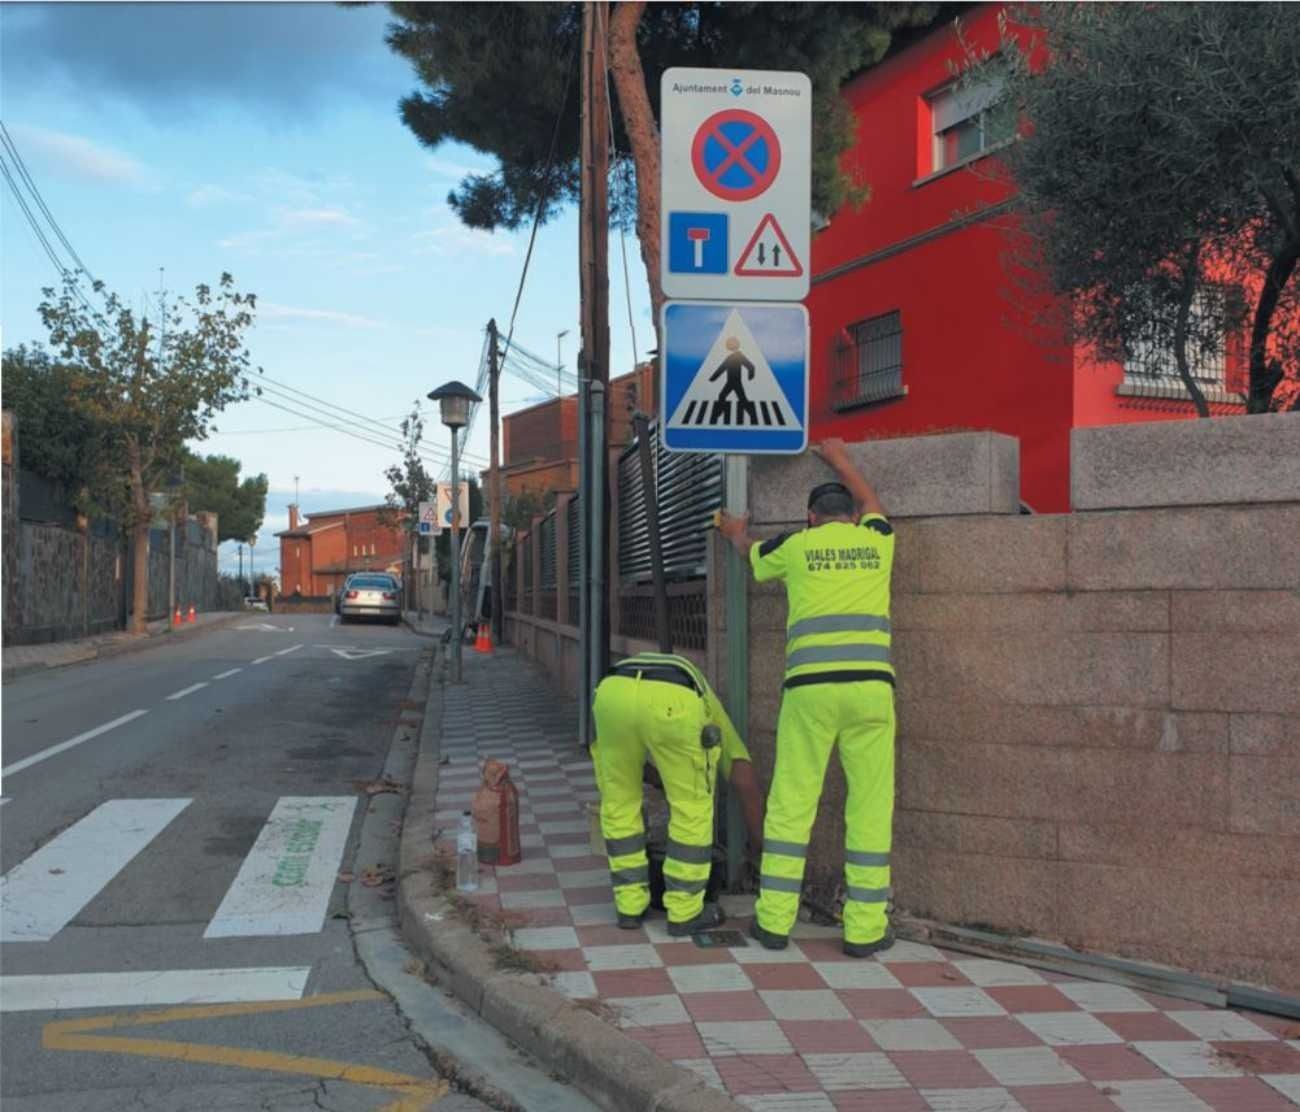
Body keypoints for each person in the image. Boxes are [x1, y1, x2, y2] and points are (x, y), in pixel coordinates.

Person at [718, 437, 897, 957]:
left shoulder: (796, 546)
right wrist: (842, 459)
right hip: (870, 691)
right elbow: (876, 505)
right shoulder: (878, 540)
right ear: (850, 516)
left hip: (811, 692)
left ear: (811, 517)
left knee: (794, 803)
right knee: (869, 804)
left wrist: (735, 532)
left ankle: (774, 923)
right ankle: (864, 930)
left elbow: (752, 552)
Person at [591, 650, 764, 935]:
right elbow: (744, 780)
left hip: (612, 691)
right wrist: (760, 845)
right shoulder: (706, 705)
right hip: (673, 700)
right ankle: (685, 911)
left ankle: (629, 905)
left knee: (619, 802)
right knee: (691, 806)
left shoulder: (645, 674)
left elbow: (646, 759)